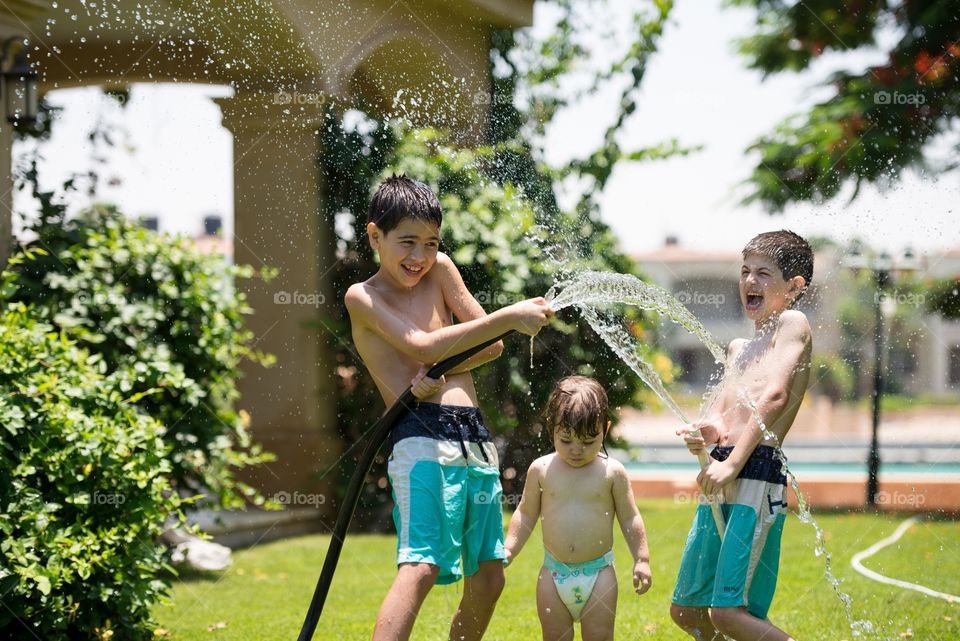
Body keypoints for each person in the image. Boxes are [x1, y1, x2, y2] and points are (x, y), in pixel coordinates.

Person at [344, 175, 554, 641]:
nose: (419, 256)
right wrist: (506, 316)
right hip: (420, 435)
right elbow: (420, 344)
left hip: (474, 438)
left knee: (489, 574)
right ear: (375, 236)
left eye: (431, 243)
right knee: (421, 566)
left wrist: (443, 364)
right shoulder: (363, 296)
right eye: (407, 242)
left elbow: (491, 344)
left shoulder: (440, 271)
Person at [670, 230, 814, 641]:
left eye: (764, 274)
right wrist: (705, 432)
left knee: (728, 613)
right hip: (724, 472)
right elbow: (721, 417)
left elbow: (775, 395)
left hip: (754, 475)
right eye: (745, 271)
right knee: (686, 610)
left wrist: (732, 463)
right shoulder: (738, 347)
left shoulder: (792, 325)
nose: (750, 280)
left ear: (794, 287)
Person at [504, 375, 652, 641]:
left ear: (605, 429)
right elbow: (525, 513)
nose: (576, 450)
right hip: (553, 573)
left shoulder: (612, 472)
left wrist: (641, 559)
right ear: (552, 429)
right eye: (566, 440)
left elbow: (630, 518)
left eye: (588, 441)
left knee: (599, 636)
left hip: (599, 573)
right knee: (554, 636)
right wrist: (509, 549)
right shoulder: (542, 469)